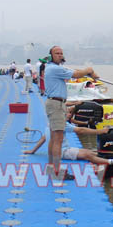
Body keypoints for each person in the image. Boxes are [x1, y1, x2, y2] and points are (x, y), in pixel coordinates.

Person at [44, 46, 100, 180]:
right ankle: (57, 172)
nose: (60, 55)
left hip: (56, 103)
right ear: (51, 56)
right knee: (58, 139)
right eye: (57, 53)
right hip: (56, 104)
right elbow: (75, 74)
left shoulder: (55, 68)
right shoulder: (54, 68)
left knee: (53, 137)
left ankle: (52, 168)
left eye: (61, 53)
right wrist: (90, 70)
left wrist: (86, 74)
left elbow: (74, 72)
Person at [24, 110, 113, 169]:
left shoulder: (51, 123)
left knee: (89, 151)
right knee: (88, 155)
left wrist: (33, 151)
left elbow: (43, 138)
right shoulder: (62, 124)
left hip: (64, 149)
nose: (70, 115)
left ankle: (108, 158)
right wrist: (100, 131)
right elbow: (81, 130)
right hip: (62, 151)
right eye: (68, 113)